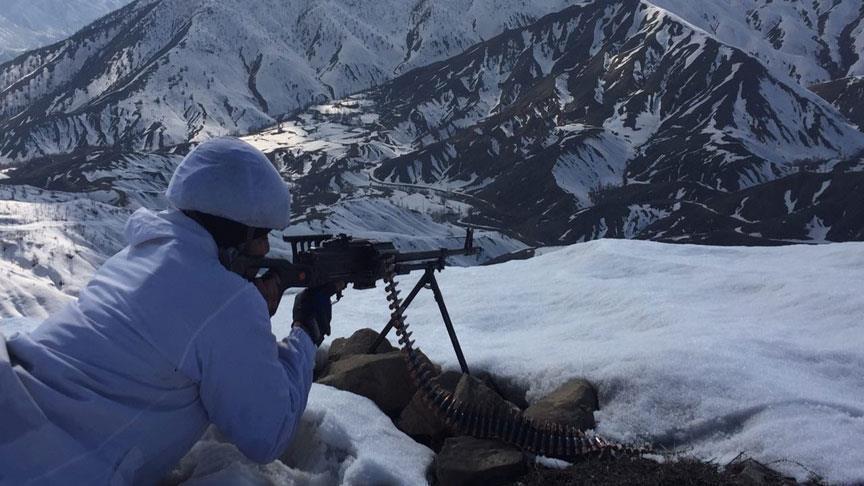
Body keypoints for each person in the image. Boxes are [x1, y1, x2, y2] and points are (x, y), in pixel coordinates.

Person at [0, 138, 334, 485]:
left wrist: (243, 317)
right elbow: (269, 434)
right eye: (261, 235)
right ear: (234, 232)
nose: (265, 248)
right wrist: (306, 330)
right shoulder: (226, 301)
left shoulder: (135, 255)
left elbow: (178, 328)